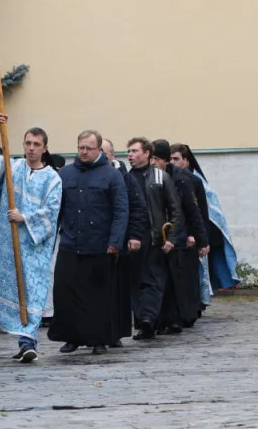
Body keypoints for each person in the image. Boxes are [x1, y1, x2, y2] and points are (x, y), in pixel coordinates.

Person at [0, 112, 61, 362]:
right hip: (10, 245)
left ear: (44, 148)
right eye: (28, 143)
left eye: (36, 144)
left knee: (32, 292)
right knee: (15, 291)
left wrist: (24, 217)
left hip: (34, 247)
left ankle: (28, 341)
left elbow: (51, 212)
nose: (31, 148)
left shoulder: (52, 178)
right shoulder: (12, 167)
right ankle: (25, 341)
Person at [47, 130, 128, 355]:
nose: (84, 152)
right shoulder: (65, 174)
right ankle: (71, 337)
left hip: (99, 245)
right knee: (65, 292)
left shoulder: (112, 175)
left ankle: (98, 339)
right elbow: (56, 209)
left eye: (88, 148)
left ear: (99, 150)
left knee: (97, 296)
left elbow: (121, 210)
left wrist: (115, 241)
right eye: (81, 147)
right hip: (70, 243)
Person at [125, 137, 181, 340]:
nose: (130, 155)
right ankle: (143, 322)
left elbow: (175, 209)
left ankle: (149, 319)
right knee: (136, 281)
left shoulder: (160, 177)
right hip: (132, 236)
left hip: (154, 237)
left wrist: (171, 238)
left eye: (134, 151)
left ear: (147, 153)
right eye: (129, 151)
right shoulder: (126, 178)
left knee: (153, 280)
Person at [151, 139, 207, 332]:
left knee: (179, 279)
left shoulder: (185, 179)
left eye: (156, 158)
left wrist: (200, 238)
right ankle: (161, 318)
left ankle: (178, 317)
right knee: (161, 279)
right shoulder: (150, 176)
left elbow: (194, 211)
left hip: (179, 234)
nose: (153, 162)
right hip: (159, 235)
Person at [173, 144, 240, 290]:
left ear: (186, 161)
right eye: (170, 159)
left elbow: (206, 210)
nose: (172, 163)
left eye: (176, 159)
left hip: (202, 229)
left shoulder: (196, 180)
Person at [100, 138, 147, 347]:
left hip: (120, 242)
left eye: (104, 152)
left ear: (112, 155)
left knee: (118, 290)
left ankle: (115, 332)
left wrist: (134, 235)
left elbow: (137, 209)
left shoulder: (125, 178)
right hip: (93, 241)